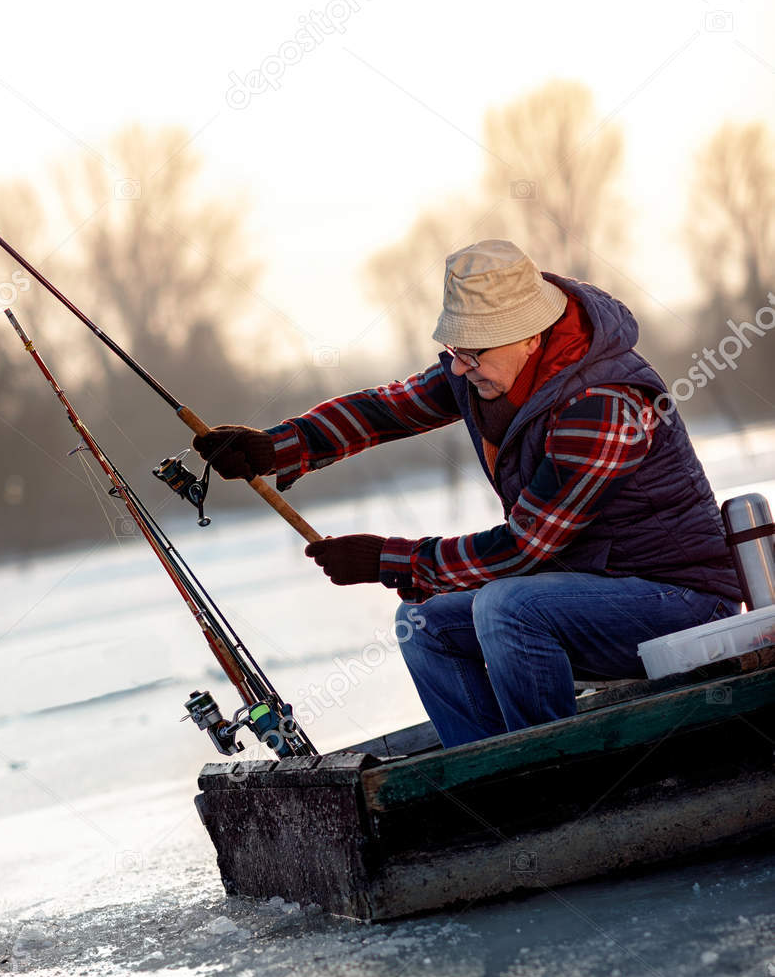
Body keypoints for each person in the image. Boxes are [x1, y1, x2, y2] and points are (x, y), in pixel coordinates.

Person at [193, 239, 742, 749]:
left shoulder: (603, 403)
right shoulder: (487, 370)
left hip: (680, 603)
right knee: (424, 624)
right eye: (454, 348)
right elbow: (386, 409)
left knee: (510, 606)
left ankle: (549, 768)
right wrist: (274, 448)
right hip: (585, 592)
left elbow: (527, 548)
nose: (458, 366)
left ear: (532, 335)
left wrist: (387, 558)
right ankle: (485, 772)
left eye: (472, 352)